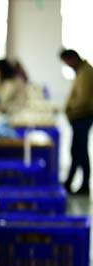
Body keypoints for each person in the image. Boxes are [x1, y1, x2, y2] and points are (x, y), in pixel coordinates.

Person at [59, 49, 93, 195]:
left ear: (72, 58)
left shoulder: (86, 73)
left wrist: (70, 109)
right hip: (78, 117)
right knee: (76, 150)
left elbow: (83, 99)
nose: (67, 65)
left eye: (66, 62)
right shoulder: (80, 71)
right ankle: (69, 181)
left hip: (82, 117)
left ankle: (84, 185)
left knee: (81, 151)